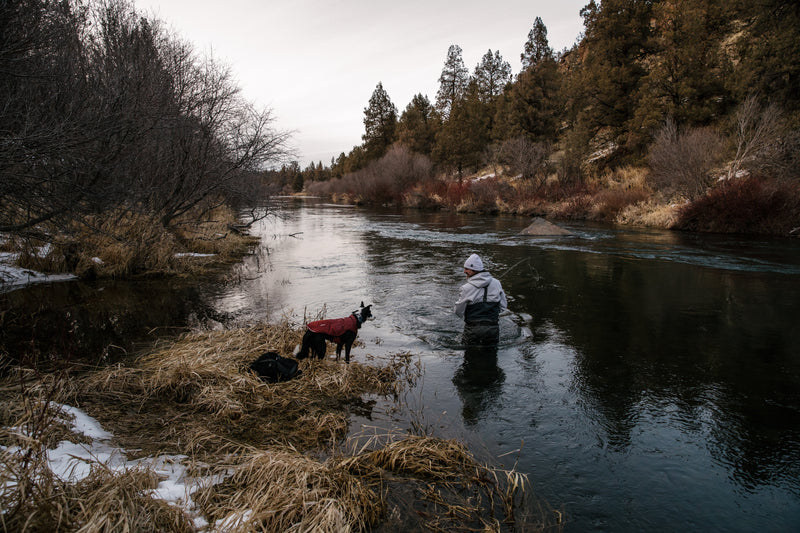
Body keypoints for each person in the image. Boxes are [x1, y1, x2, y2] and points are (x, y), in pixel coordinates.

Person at [454, 253, 507, 346]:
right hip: (493, 329)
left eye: (466, 269)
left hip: (472, 330)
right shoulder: (497, 283)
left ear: (474, 270)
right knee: (491, 356)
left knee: (470, 356)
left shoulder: (466, 288)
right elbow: (503, 306)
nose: (464, 271)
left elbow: (458, 311)